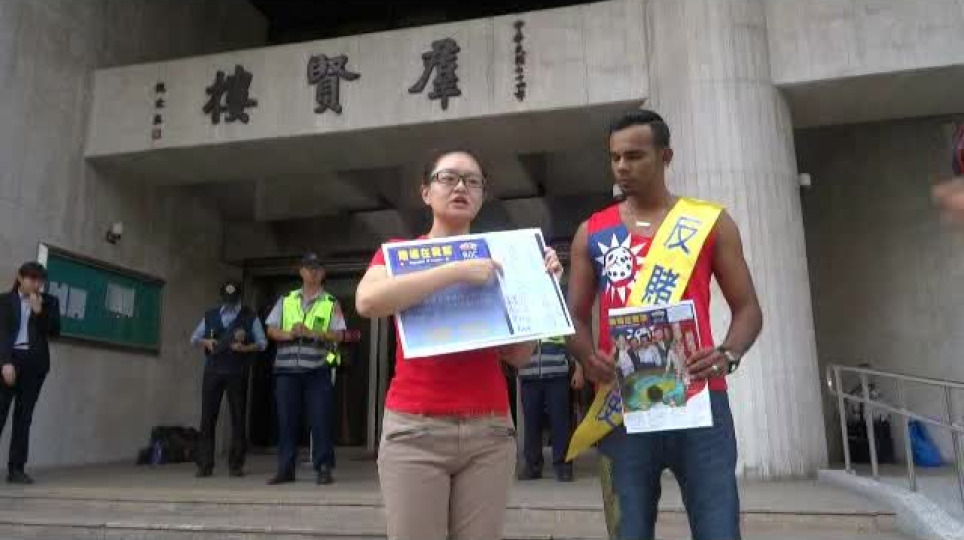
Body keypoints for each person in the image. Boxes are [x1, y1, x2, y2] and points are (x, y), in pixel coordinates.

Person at [566, 110, 763, 540]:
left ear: (665, 156)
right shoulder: (591, 232)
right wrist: (586, 355)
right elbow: (573, 316)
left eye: (635, 156)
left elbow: (748, 308)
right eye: (615, 157)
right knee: (628, 531)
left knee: (719, 530)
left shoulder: (710, 222)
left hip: (700, 399)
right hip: (621, 407)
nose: (622, 167)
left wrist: (728, 354)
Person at [355, 149, 562, 540]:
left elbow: (519, 356)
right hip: (415, 430)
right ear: (425, 192)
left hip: (490, 432)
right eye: (448, 178)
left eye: (472, 181)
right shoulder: (398, 252)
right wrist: (454, 271)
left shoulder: (502, 259)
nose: (461, 187)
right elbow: (367, 302)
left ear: (483, 195)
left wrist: (540, 289)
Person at [265, 254, 347, 486]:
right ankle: (285, 469)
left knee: (320, 419)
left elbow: (340, 335)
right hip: (287, 370)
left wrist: (314, 333)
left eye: (317, 269)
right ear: (300, 271)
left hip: (317, 369)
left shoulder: (331, 302)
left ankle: (323, 467)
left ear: (323, 273)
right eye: (308, 268)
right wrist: (289, 333)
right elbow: (270, 329)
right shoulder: (286, 300)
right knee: (286, 420)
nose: (312, 273)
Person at [189, 280, 267, 478]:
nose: (230, 302)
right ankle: (204, 464)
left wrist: (245, 348)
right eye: (227, 299)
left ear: (239, 297)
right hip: (213, 370)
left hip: (237, 371)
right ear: (222, 297)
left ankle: (236, 464)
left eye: (233, 299)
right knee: (207, 417)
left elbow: (262, 343)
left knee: (238, 418)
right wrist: (206, 341)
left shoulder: (249, 316)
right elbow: (194, 339)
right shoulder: (211, 315)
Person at [0, 262, 60, 484]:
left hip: (34, 366)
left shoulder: (50, 302)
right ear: (20, 277)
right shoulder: (4, 301)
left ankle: (16, 469)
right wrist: (5, 362)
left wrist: (39, 312)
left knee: (23, 418)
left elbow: (54, 332)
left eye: (40, 280)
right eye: (32, 279)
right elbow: (1, 334)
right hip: (9, 361)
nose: (36, 284)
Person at [517, 336, 576, 482]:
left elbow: (572, 338)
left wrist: (579, 368)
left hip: (557, 373)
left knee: (560, 422)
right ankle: (532, 467)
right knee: (531, 423)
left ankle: (563, 467)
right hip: (528, 375)